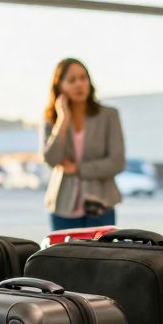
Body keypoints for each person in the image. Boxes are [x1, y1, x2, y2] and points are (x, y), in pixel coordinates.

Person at [42, 58, 125, 230]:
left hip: (101, 204)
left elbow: (117, 162)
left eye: (83, 78)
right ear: (60, 86)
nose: (79, 84)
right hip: (62, 206)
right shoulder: (52, 118)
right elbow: (51, 159)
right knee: (64, 257)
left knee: (101, 256)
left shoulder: (109, 115)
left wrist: (79, 168)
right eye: (71, 80)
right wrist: (63, 121)